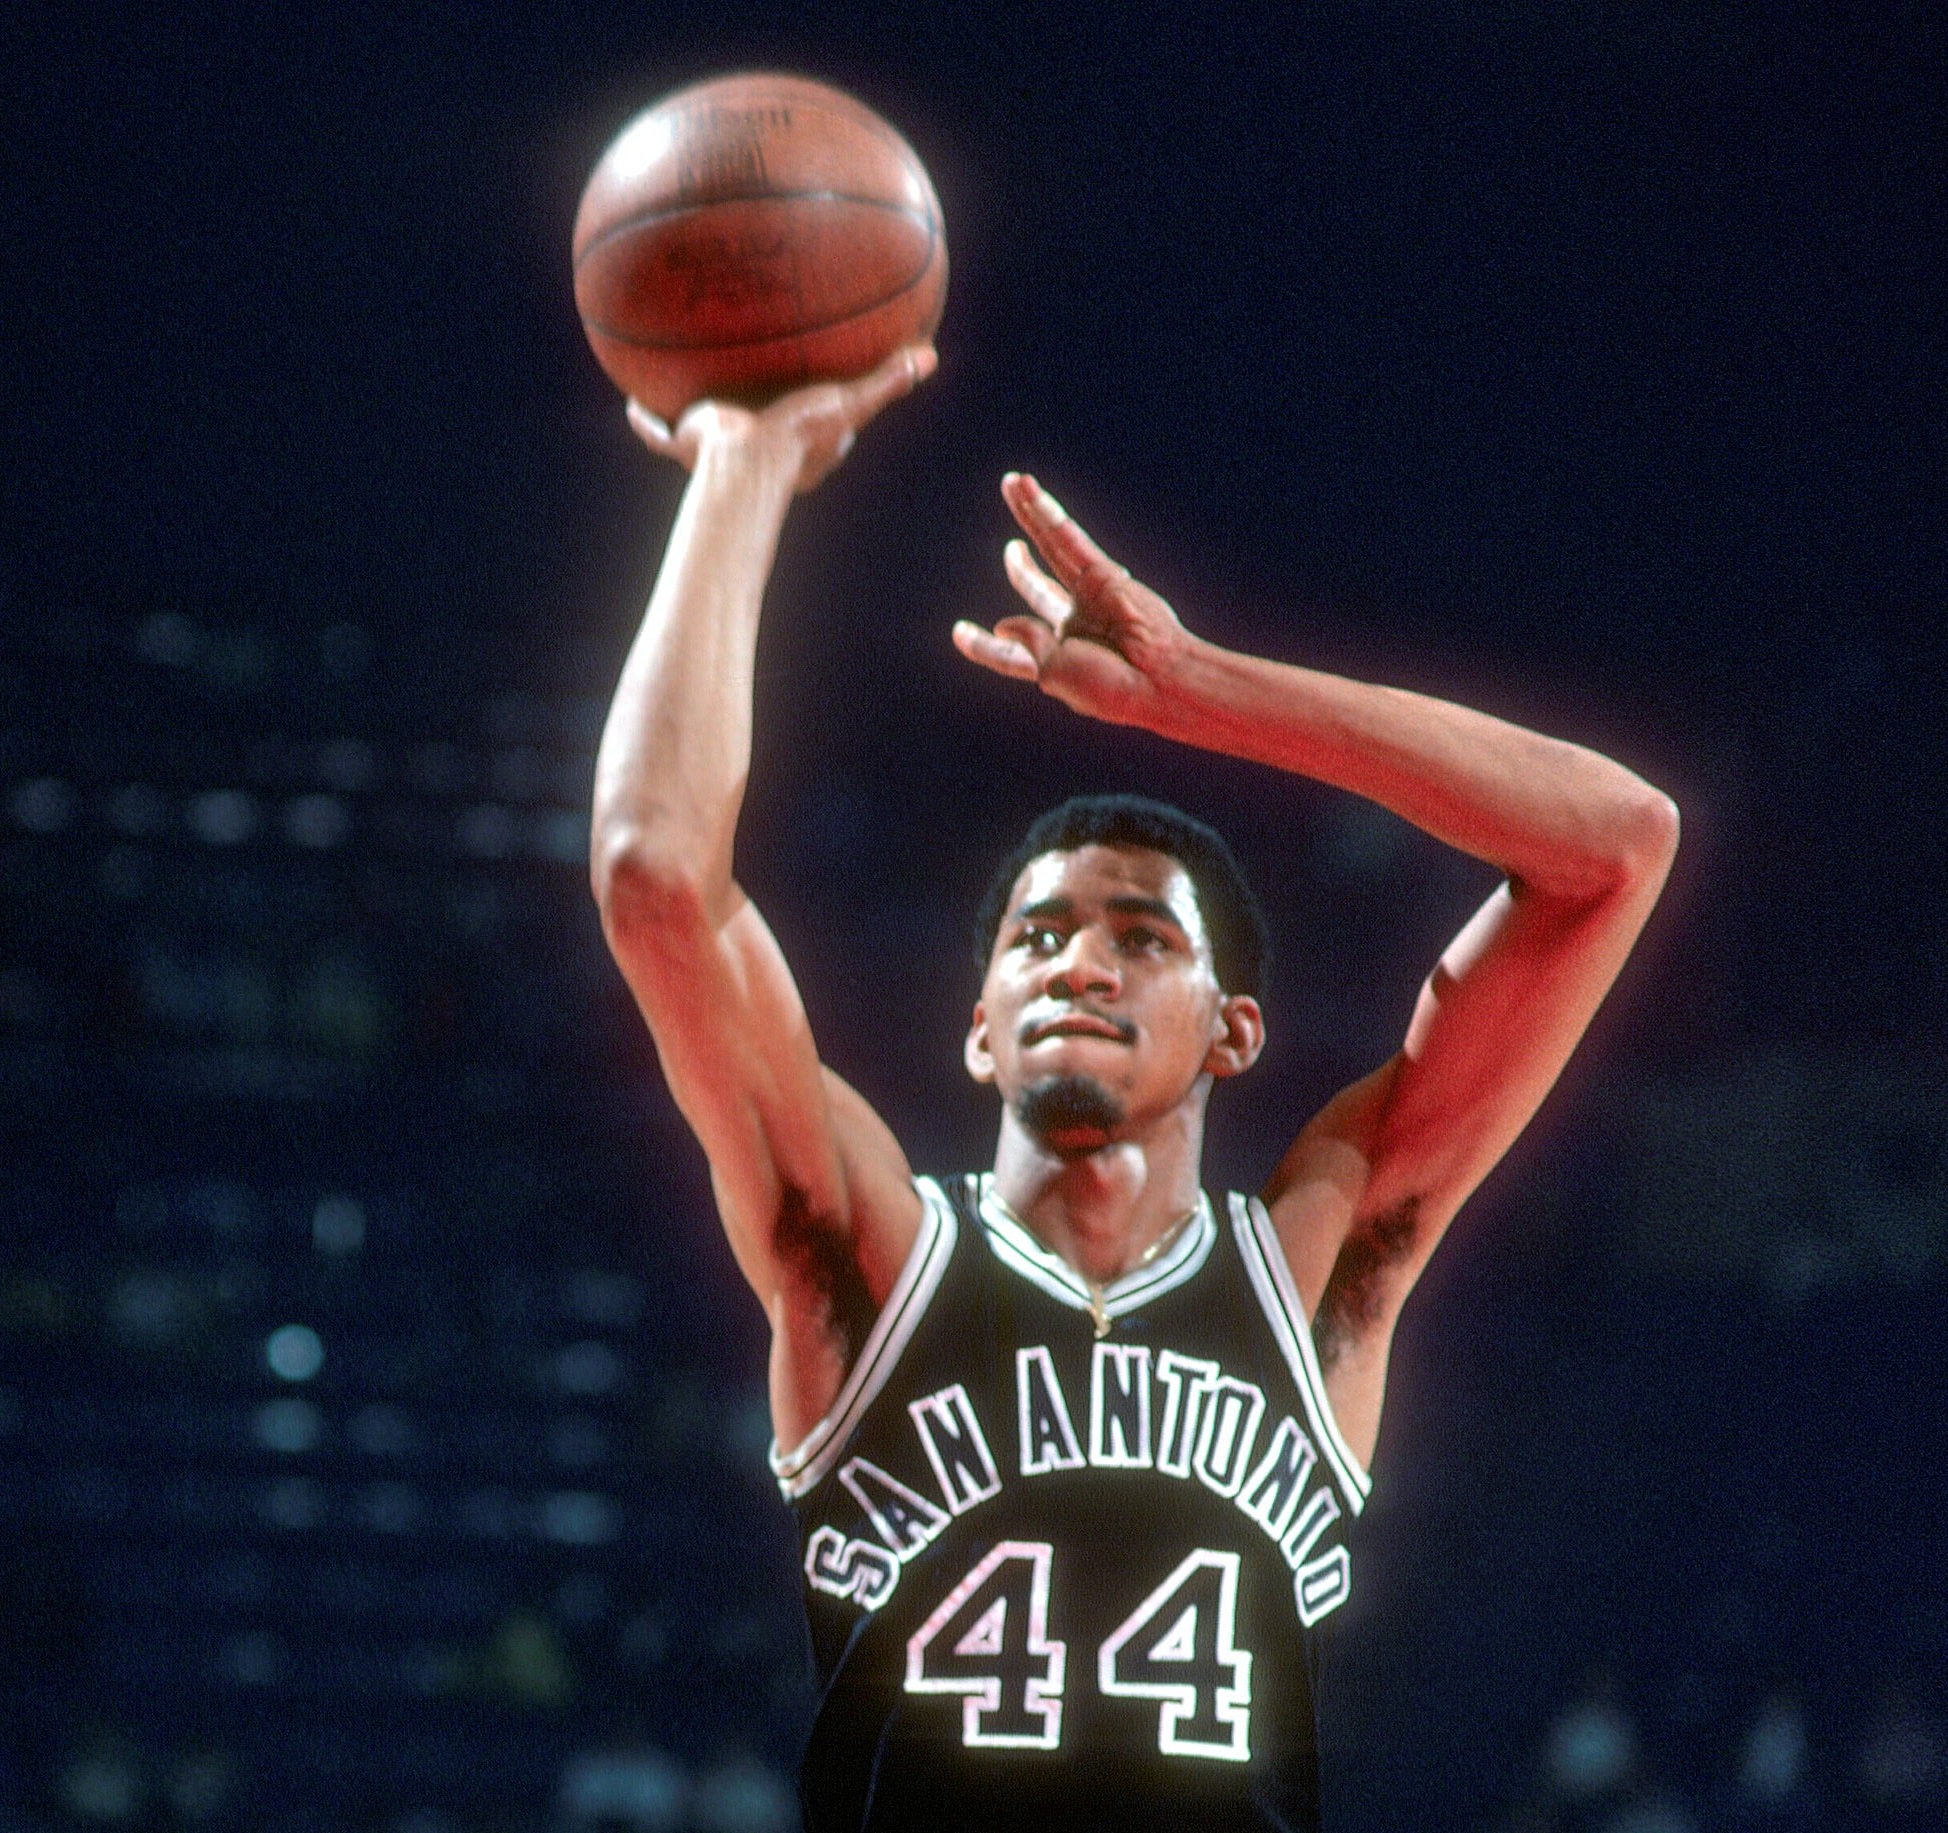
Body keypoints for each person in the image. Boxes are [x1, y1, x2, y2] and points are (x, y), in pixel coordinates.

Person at [588, 343, 1678, 1831]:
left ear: (1232, 1031)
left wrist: (1197, 691)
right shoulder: (870, 1257)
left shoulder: (1317, 1263)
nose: (1076, 963)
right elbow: (657, 878)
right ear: (979, 1026)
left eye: (1138, 935)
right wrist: (741, 464)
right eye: (1034, 937)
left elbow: (1613, 844)